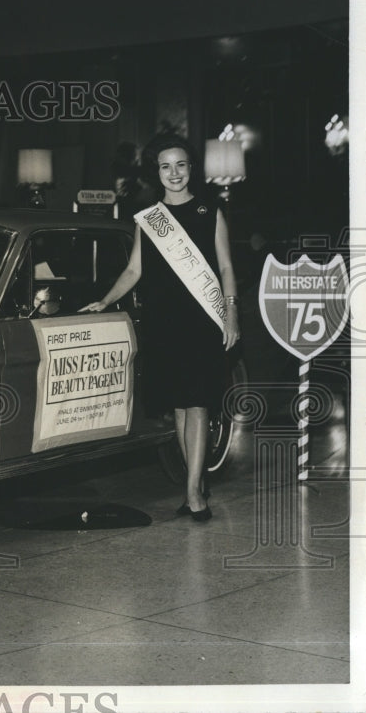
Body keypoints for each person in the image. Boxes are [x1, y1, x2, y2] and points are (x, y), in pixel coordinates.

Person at [80, 133, 240, 522]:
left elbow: (225, 267)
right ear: (157, 172)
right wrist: (105, 300)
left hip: (202, 319)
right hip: (164, 322)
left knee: (198, 402)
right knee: (180, 408)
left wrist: (232, 313)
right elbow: (134, 269)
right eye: (166, 166)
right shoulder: (150, 219)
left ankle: (193, 494)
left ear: (191, 169)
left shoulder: (209, 211)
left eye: (181, 164)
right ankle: (196, 483)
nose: (174, 173)